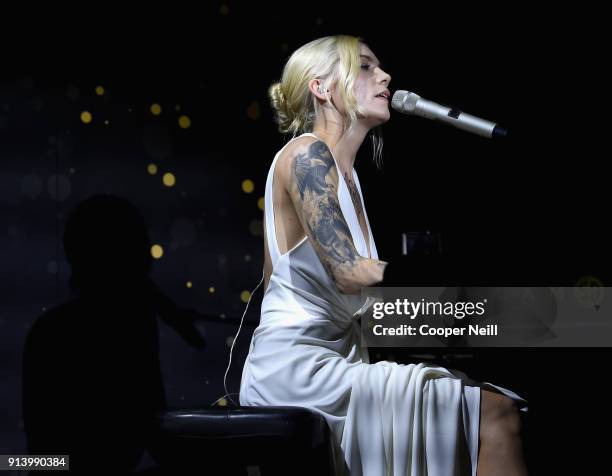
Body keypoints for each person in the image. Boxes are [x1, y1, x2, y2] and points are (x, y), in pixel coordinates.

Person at [239, 35, 528, 475]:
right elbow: (347, 272)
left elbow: (297, 286)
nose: (385, 76)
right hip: (300, 374)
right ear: (322, 87)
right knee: (494, 411)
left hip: (333, 363)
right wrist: (464, 281)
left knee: (488, 400)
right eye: (365, 67)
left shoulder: (350, 181)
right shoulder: (306, 154)